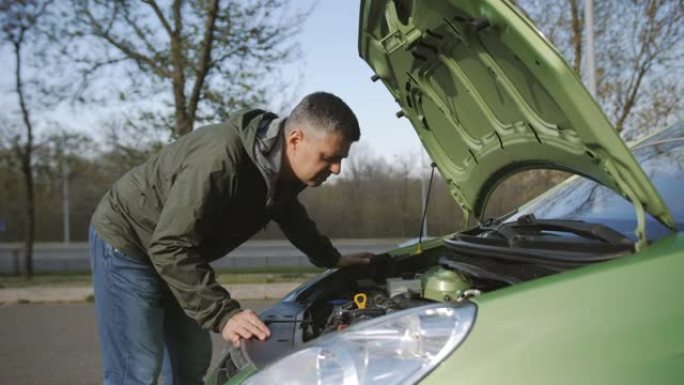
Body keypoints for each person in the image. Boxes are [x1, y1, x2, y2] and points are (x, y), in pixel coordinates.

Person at [89, 92, 373, 385]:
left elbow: (292, 217)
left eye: (341, 158)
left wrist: (332, 259)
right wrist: (224, 314)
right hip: (129, 242)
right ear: (295, 139)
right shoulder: (220, 160)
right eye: (329, 157)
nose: (337, 169)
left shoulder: (281, 171)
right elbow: (169, 245)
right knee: (137, 369)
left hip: (178, 251)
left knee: (190, 362)